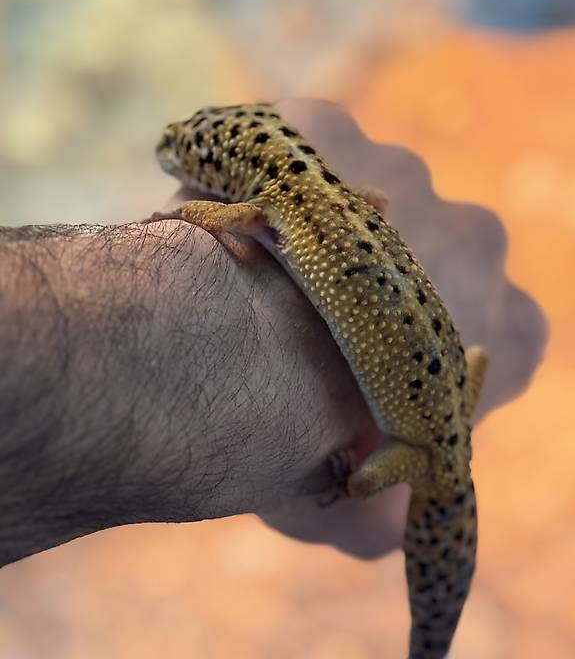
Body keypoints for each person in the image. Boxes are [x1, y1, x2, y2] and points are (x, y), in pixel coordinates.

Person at [0, 100, 547, 568]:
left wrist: (351, 479)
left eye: (186, 152)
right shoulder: (335, 196)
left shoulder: (264, 207)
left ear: (226, 171)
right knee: (473, 359)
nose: (170, 155)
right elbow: (374, 200)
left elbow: (201, 215)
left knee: (361, 482)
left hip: (425, 451)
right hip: (446, 392)